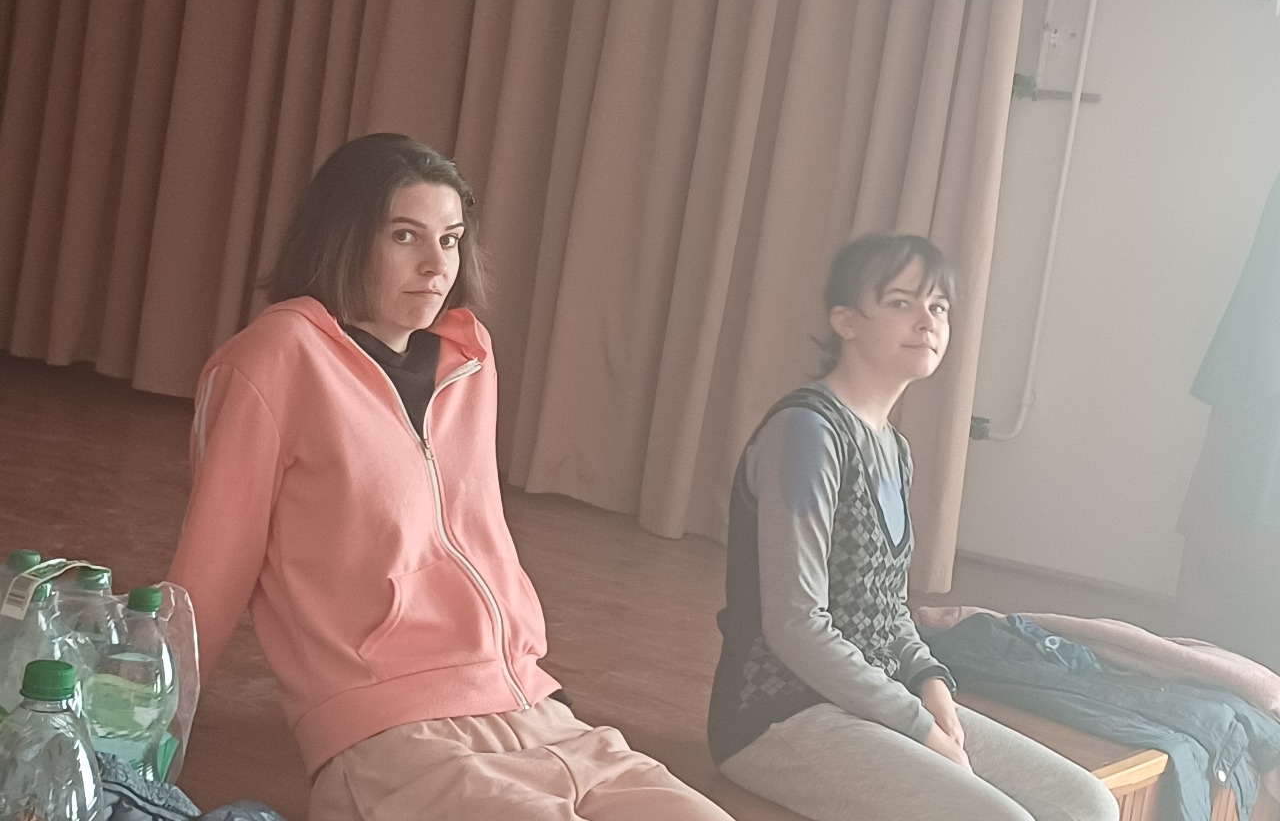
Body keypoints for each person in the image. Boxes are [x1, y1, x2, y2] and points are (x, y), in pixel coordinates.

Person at [167, 134, 732, 821]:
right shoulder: (275, 358)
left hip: (540, 712)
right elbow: (212, 573)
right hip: (395, 735)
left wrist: (533, 684)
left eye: (451, 239)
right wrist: (139, 744)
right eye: (405, 236)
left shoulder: (469, 357)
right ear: (344, 237)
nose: (437, 265)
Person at [706, 233, 1119, 821]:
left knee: (1088, 804)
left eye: (939, 307)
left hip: (878, 699)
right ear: (845, 321)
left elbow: (887, 606)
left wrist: (929, 682)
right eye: (902, 303)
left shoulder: (894, 449)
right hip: (780, 715)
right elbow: (795, 625)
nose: (927, 322)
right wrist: (920, 729)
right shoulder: (807, 433)